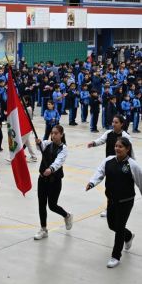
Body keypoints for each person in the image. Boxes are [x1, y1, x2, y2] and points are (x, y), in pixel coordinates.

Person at [86, 137, 142, 268]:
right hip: (111, 200)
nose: (117, 148)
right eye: (116, 146)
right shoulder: (108, 161)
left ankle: (116, 256)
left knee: (120, 227)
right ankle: (128, 236)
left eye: (120, 147)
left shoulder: (132, 165)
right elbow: (99, 172)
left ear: (127, 149)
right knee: (112, 225)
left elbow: (140, 182)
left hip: (126, 201)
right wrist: (92, 182)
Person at [87, 115, 133, 217]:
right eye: (113, 122)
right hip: (110, 166)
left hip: (121, 166)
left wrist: (131, 166)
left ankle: (120, 208)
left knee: (120, 188)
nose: (113, 124)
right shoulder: (108, 133)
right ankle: (109, 208)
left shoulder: (126, 137)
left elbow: (131, 153)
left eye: (116, 122)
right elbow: (101, 140)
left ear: (121, 124)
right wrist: (93, 143)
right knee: (110, 188)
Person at [34, 125, 73, 240]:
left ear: (61, 134)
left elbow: (59, 161)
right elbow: (39, 147)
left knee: (52, 205)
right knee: (41, 204)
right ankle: (43, 229)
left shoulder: (63, 148)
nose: (53, 135)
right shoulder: (47, 144)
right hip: (42, 179)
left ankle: (67, 215)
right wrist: (38, 142)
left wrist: (50, 169)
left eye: (56, 133)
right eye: (52, 133)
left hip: (54, 181)